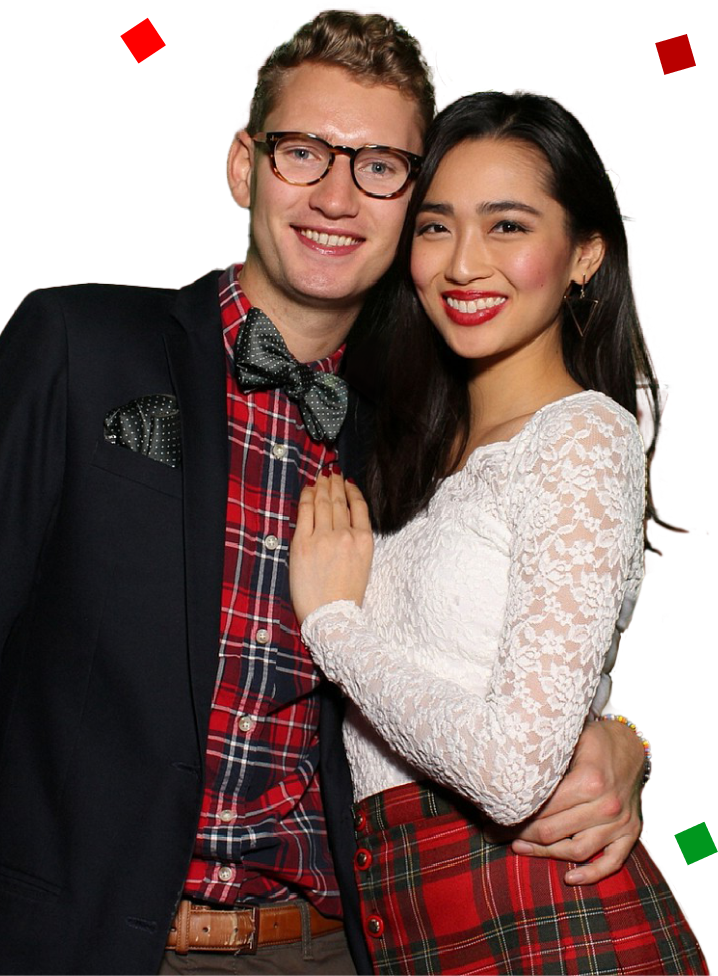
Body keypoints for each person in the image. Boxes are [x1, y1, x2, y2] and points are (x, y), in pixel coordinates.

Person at [0, 11, 652, 976]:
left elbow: (497, 639)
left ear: (407, 204)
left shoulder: (418, 427)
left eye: (380, 165)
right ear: (242, 165)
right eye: (303, 152)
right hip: (71, 945)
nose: (337, 196)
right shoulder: (76, 346)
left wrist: (614, 735)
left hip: (329, 953)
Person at [289, 88, 709, 974]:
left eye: (508, 226)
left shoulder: (581, 436)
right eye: (435, 227)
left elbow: (515, 772)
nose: (462, 265)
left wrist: (334, 627)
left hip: (537, 908)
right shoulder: (410, 444)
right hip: (404, 912)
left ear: (584, 253)